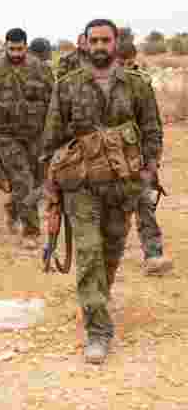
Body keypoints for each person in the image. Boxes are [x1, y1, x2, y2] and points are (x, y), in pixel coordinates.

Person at [41, 18, 163, 364]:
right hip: (81, 188)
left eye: (105, 40)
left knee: (111, 250)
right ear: (85, 44)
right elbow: (50, 140)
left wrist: (148, 169)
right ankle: (98, 330)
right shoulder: (66, 86)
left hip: (123, 187)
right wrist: (51, 187)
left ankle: (97, 298)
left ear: (115, 43)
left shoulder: (137, 84)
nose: (99, 46)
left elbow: (152, 129)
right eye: (93, 40)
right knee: (89, 253)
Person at [0, 27, 54, 247]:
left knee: (36, 180)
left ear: (26, 46)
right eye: (11, 49)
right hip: (6, 135)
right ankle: (31, 232)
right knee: (23, 179)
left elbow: (54, 100)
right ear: (5, 46)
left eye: (19, 49)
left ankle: (13, 207)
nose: (15, 53)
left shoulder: (39, 68)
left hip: (34, 134)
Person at [116, 41, 172, 276]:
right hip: (107, 158)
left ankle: (153, 254)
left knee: (144, 205)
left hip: (137, 156)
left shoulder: (142, 83)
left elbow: (153, 124)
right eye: (122, 63)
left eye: (131, 63)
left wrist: (152, 158)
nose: (127, 68)